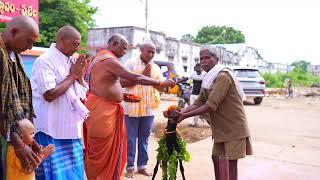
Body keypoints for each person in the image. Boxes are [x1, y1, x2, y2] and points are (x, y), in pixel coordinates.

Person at [84, 34, 175, 180]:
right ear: (114, 44)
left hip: (121, 108)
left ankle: (136, 167)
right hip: (103, 111)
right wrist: (159, 83)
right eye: (123, 48)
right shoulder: (109, 59)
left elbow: (109, 84)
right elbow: (134, 78)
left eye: (154, 52)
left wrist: (123, 95)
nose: (125, 52)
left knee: (127, 143)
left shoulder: (104, 58)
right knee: (101, 149)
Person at [176, 47, 253, 180]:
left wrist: (185, 116)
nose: (203, 61)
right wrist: (180, 111)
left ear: (216, 59)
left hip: (233, 127)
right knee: (217, 158)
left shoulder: (223, 76)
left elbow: (210, 105)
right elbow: (198, 102)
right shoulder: (208, 78)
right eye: (201, 58)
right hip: (221, 128)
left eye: (207, 58)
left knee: (230, 163)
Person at [31, 26, 89, 179]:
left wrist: (80, 76)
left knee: (74, 175)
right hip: (50, 129)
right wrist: (73, 76)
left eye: (78, 44)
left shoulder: (72, 60)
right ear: (61, 40)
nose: (77, 48)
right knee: (53, 175)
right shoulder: (45, 60)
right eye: (74, 44)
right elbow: (49, 95)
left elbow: (81, 94)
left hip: (71, 129)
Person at [0, 16, 41, 180]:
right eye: (28, 41)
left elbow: (18, 101)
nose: (30, 47)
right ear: (13, 32)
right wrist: (18, 143)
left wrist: (29, 139)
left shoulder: (14, 56)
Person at [122, 42, 164, 178]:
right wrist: (142, 76)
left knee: (144, 139)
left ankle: (142, 166)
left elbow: (160, 86)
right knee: (130, 139)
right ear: (141, 50)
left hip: (149, 109)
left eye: (153, 52)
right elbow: (122, 83)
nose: (151, 54)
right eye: (149, 51)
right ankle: (130, 167)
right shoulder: (129, 64)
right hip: (131, 108)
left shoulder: (156, 68)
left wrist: (163, 84)